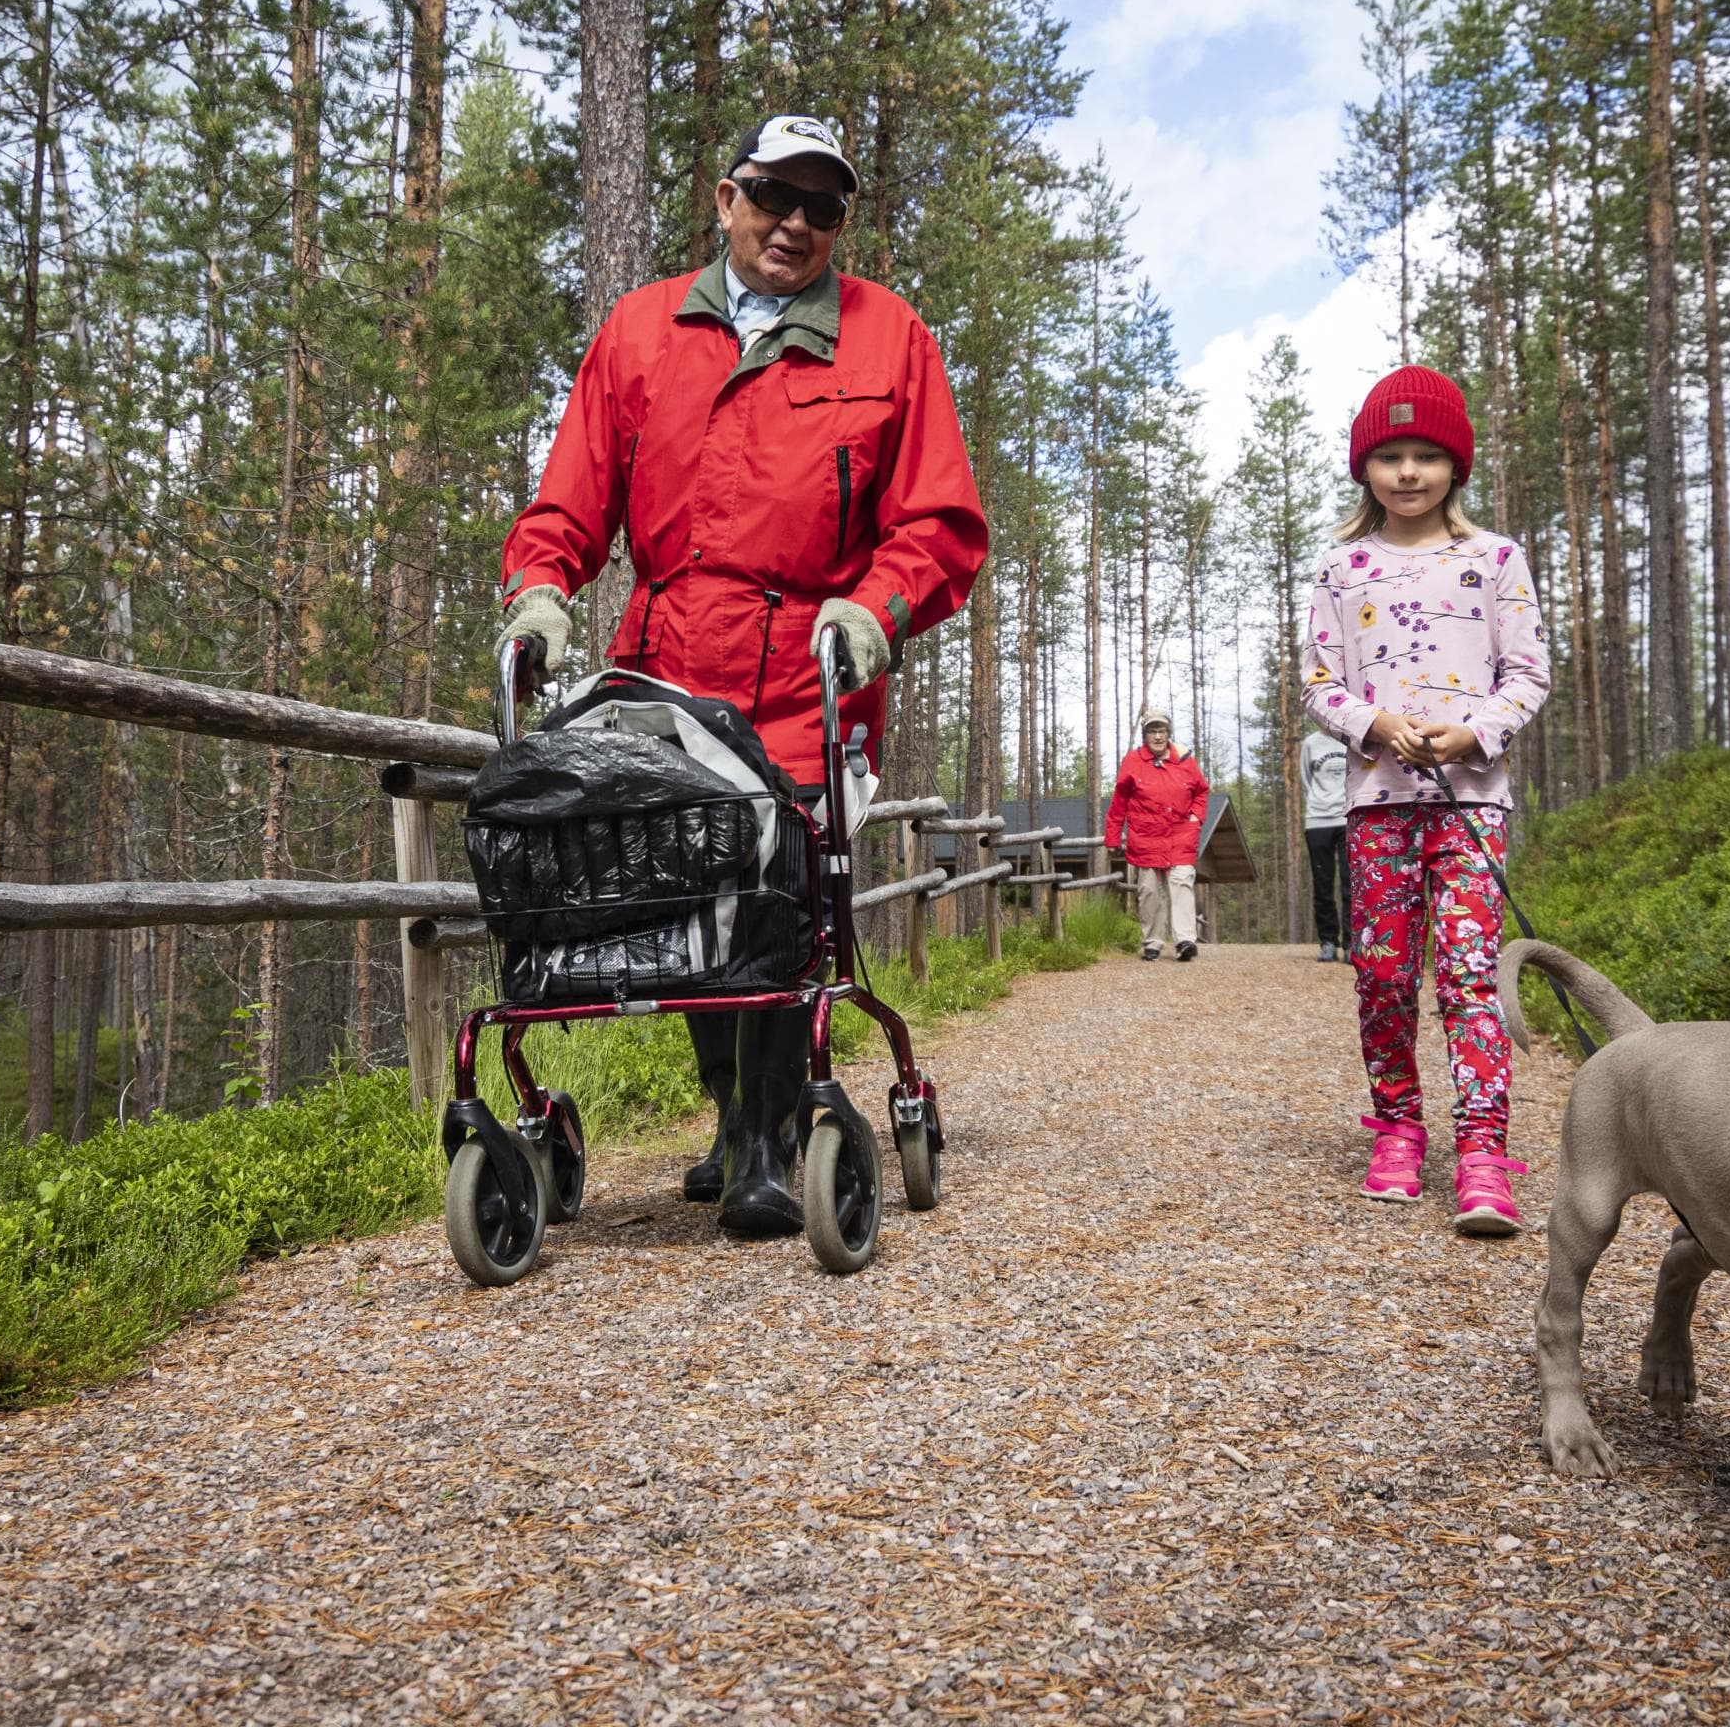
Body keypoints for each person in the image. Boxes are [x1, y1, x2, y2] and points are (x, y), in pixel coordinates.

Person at [492, 112, 987, 1238]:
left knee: (779, 888)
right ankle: (736, 1114)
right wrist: (539, 588)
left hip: (810, 673)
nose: (795, 224)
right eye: (774, 196)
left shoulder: (890, 338)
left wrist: (880, 607)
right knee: (685, 884)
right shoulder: (639, 332)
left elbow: (941, 519)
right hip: (669, 671)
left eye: (824, 208)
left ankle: (766, 1139)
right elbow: (570, 500)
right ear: (728, 198)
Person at [1301, 365, 1552, 1236]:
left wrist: (1474, 733)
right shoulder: (1342, 569)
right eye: (1391, 456)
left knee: (1469, 975)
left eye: (1428, 456)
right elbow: (1319, 685)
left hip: (1471, 805)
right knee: (1382, 976)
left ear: (1457, 466)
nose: (1408, 473)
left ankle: (1484, 1150)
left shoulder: (1495, 560)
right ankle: (1399, 1129)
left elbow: (1528, 674)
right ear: (1364, 468)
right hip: (1375, 806)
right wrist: (1376, 724)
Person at [1108, 707, 1207, 963]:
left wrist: (1196, 817)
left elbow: (1201, 791)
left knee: (1182, 882)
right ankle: (1153, 941)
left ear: (1168, 733)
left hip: (1180, 834)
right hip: (1146, 835)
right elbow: (1119, 801)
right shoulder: (1132, 761)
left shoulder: (1184, 760)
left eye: (1162, 730)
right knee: (1150, 890)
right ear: (1145, 735)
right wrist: (1112, 836)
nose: (1158, 736)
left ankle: (1185, 940)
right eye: (1153, 731)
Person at [1300, 728, 1349, 960]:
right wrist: (1320, 802)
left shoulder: (1352, 739)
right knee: (1323, 883)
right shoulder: (1311, 743)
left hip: (1348, 817)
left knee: (1352, 883)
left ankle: (1352, 943)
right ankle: (1328, 941)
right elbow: (1306, 781)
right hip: (1318, 820)